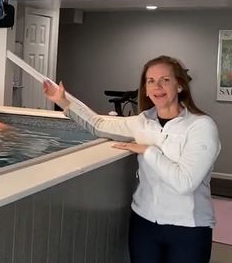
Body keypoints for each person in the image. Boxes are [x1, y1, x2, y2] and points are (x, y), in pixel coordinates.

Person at [43, 55, 220, 263]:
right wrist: (63, 101)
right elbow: (98, 124)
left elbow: (185, 183)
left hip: (188, 229)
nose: (157, 86)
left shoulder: (201, 126)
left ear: (180, 86)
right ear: (145, 89)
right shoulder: (142, 122)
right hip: (144, 223)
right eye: (150, 81)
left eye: (165, 79)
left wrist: (148, 151)